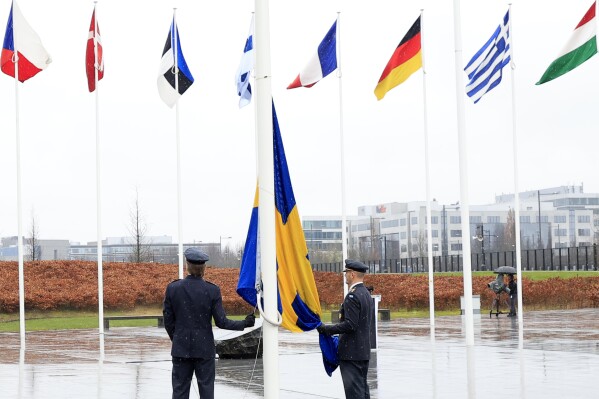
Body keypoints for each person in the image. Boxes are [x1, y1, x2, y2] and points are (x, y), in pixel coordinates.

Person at [163, 248, 255, 399]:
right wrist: (244, 323)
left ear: (187, 266)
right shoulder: (212, 290)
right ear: (204, 268)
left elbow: (168, 320)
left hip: (181, 349)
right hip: (204, 349)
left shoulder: (173, 288)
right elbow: (222, 322)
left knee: (179, 391)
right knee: (206, 391)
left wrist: (178, 338)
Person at [317, 259, 372, 399]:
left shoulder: (352, 296)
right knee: (363, 392)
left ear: (352, 274)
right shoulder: (365, 293)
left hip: (351, 353)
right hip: (362, 351)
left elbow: (350, 325)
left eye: (346, 273)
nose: (345, 276)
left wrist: (327, 329)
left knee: (354, 394)